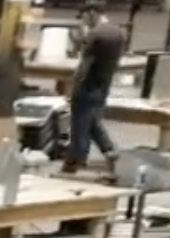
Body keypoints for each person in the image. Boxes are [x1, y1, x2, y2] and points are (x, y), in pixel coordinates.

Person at [62, 3, 124, 174]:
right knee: (92, 121)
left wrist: (73, 87)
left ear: (92, 13)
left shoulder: (95, 34)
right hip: (103, 86)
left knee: (79, 125)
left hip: (87, 86)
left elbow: (85, 65)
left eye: (84, 17)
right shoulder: (117, 32)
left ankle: (75, 162)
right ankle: (109, 150)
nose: (84, 21)